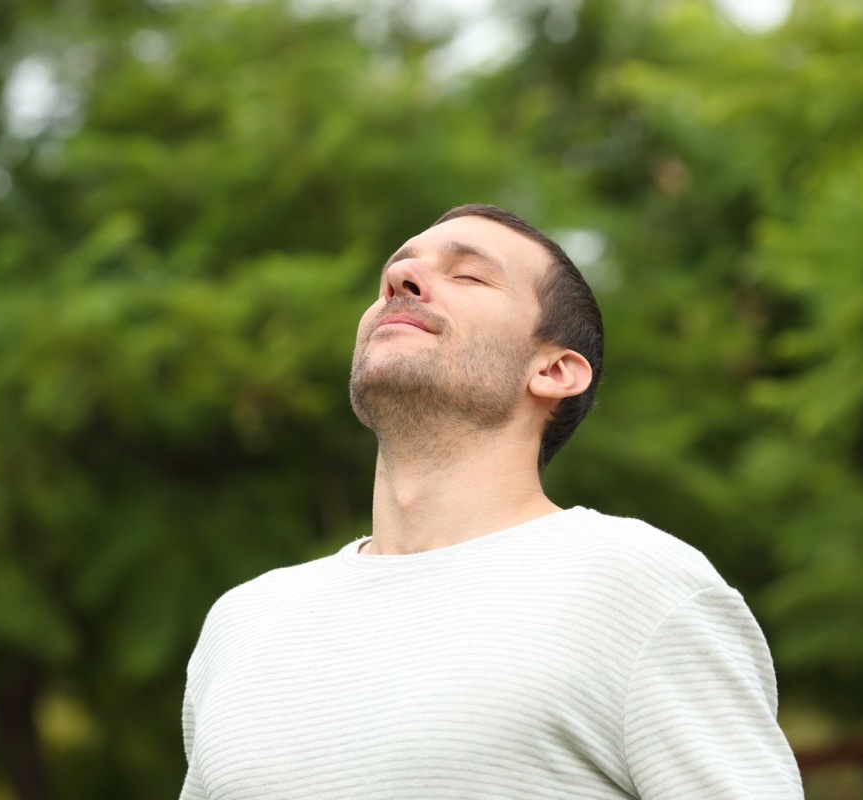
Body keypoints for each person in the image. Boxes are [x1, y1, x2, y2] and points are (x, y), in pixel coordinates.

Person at [177, 205, 803, 799]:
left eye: (469, 274)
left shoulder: (639, 586)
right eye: (396, 271)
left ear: (555, 371)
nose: (401, 278)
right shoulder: (244, 622)